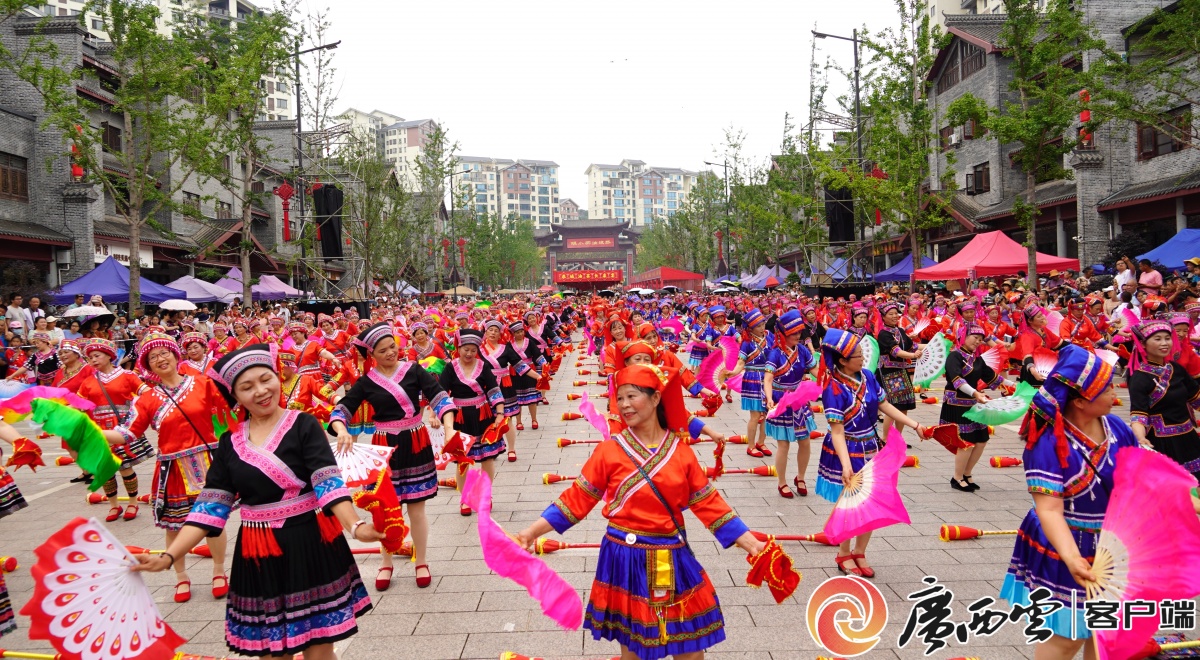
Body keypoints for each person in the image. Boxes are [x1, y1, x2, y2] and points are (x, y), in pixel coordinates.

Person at [133, 343, 380, 660]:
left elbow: (326, 481)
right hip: (258, 551)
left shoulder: (303, 425)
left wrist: (356, 526)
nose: (262, 391)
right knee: (272, 653)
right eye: (247, 387)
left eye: (266, 379)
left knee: (319, 649)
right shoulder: (230, 443)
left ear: (278, 377)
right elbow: (209, 509)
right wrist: (169, 557)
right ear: (235, 396)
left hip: (309, 544)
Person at [515, 364, 766, 660]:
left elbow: (708, 502)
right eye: (619, 398)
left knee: (690, 648)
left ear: (656, 398)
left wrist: (751, 544)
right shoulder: (609, 450)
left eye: (631, 396)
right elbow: (575, 500)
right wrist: (529, 533)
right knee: (633, 648)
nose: (623, 405)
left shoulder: (681, 452)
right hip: (624, 557)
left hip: (670, 555)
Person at [1000, 344, 1138, 660]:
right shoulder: (1047, 443)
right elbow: (1048, 509)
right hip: (1070, 542)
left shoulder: (1115, 427)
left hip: (1113, 544)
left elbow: (1139, 476)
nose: (1114, 392)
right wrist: (1073, 558)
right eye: (1105, 388)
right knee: (1068, 637)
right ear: (1079, 401)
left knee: (1105, 633)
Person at [100, 331, 231, 603]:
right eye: (153, 357)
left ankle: (219, 571)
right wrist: (91, 433)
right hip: (172, 468)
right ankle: (181, 576)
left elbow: (231, 411)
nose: (160, 359)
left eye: (164, 353)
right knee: (175, 525)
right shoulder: (147, 398)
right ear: (148, 365)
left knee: (213, 522)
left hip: (207, 463)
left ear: (175, 355)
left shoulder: (203, 383)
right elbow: (127, 434)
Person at [329, 322, 456, 591]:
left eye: (393, 347)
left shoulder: (413, 370)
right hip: (384, 448)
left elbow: (440, 397)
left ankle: (421, 560)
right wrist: (341, 430)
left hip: (416, 442)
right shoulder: (366, 382)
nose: (391, 353)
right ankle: (386, 562)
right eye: (384, 350)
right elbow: (342, 410)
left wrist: (448, 427)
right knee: (387, 509)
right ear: (371, 354)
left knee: (417, 508)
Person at [817, 329, 927, 578]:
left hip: (871, 446)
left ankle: (860, 551)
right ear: (843, 360)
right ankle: (843, 552)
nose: (863, 359)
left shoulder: (867, 376)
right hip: (847, 448)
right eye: (857, 355)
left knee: (872, 501)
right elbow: (837, 432)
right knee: (850, 503)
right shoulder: (833, 388)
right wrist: (846, 465)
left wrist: (915, 425)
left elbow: (884, 404)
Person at [78, 337, 153, 520]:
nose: (93, 360)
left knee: (125, 467)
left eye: (97, 356)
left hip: (122, 427)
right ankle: (114, 506)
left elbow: (148, 393)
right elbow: (79, 404)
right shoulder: (88, 381)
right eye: (90, 358)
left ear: (109, 356)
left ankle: (133, 503)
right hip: (99, 429)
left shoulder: (127, 375)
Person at [437, 328, 506, 516]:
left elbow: (493, 390)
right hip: (459, 418)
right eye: (465, 349)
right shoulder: (451, 367)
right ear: (458, 348)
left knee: (487, 458)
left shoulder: (483, 366)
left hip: (482, 416)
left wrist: (499, 413)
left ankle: (486, 495)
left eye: (473, 350)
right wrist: (434, 415)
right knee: (462, 461)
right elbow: (442, 393)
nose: (469, 353)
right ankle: (465, 498)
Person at [938, 325, 1013, 491]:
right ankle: (956, 477)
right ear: (963, 336)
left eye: (980, 339)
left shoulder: (977, 359)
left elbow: (993, 377)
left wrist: (1015, 385)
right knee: (966, 442)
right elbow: (957, 381)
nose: (977, 341)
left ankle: (967, 473)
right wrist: (975, 393)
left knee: (981, 439)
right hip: (957, 404)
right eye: (974, 337)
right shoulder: (954, 356)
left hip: (973, 402)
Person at [1128, 320, 1200, 480]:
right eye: (1158, 339)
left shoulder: (1176, 369)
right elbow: (1138, 414)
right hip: (1162, 442)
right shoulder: (1139, 377)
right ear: (1143, 344)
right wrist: (1140, 438)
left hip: (1188, 438)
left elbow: (1196, 399)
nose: (1164, 343)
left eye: (1167, 338)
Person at [762, 310, 819, 498]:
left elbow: (815, 370)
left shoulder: (802, 350)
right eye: (793, 333)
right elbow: (768, 379)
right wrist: (769, 399)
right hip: (780, 400)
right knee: (784, 444)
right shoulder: (774, 354)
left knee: (804, 441)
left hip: (799, 400)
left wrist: (831, 382)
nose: (797, 336)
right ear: (783, 334)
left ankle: (801, 477)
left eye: (799, 332)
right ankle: (782, 482)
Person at [721, 309, 773, 460]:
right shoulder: (747, 343)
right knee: (755, 415)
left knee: (768, 413)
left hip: (768, 378)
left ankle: (761, 442)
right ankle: (751, 446)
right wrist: (733, 372)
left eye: (763, 324)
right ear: (750, 328)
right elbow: (741, 363)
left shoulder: (770, 338)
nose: (762, 327)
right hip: (752, 379)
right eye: (758, 325)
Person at [875, 301, 923, 441]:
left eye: (896, 313)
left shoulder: (900, 331)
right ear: (883, 317)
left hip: (902, 372)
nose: (894, 316)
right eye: (891, 314)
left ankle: (897, 438)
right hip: (889, 373)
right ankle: (885, 439)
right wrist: (913, 356)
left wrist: (934, 345)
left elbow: (913, 346)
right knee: (893, 407)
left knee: (904, 406)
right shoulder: (883, 334)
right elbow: (896, 352)